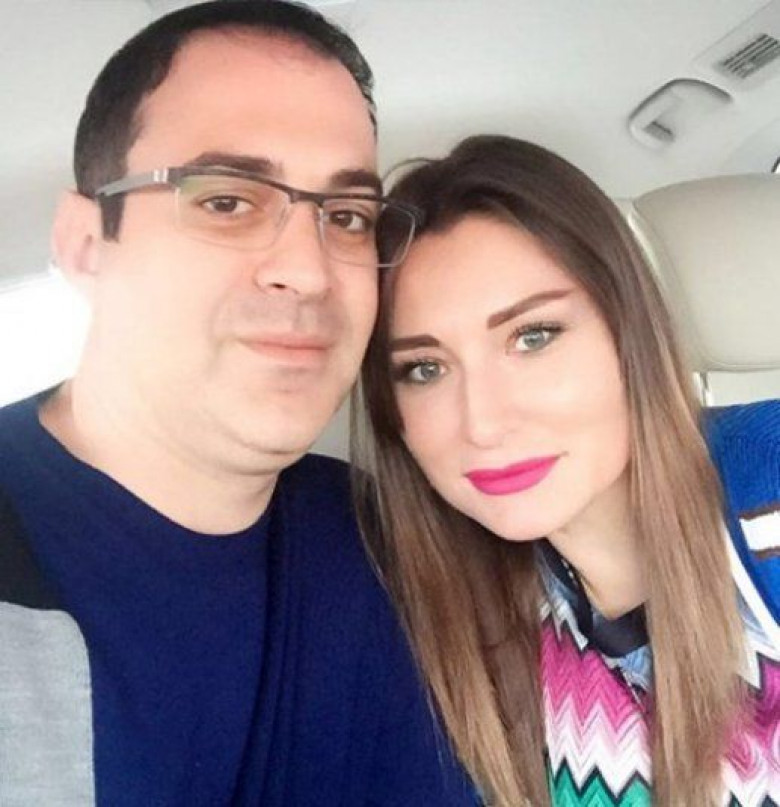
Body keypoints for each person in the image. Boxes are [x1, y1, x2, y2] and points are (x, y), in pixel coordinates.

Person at [0, 2, 476, 805]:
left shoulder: (397, 538)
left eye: (347, 217)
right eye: (226, 201)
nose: (310, 270)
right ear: (85, 245)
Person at [355, 134, 779, 806]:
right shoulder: (449, 622)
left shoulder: (767, 480)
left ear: (628, 331)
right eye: (425, 368)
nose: (483, 422)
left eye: (533, 336)